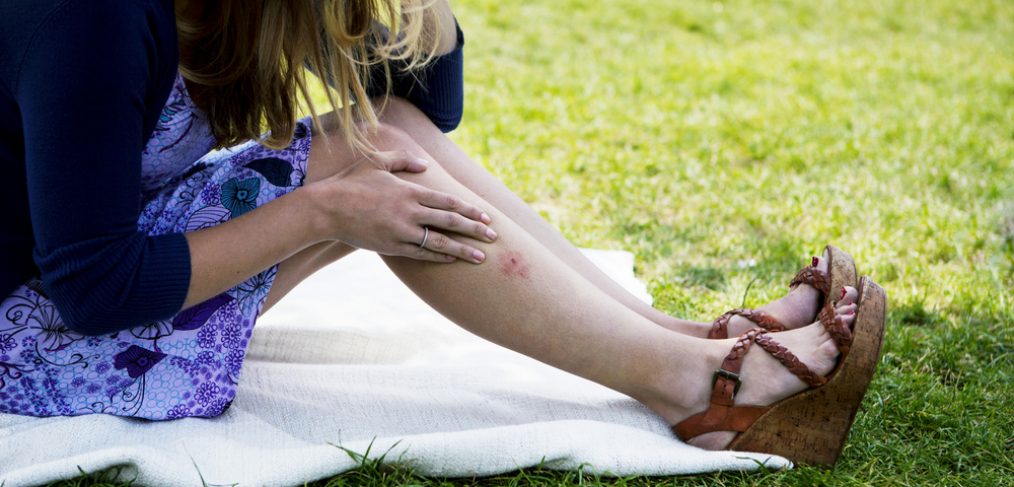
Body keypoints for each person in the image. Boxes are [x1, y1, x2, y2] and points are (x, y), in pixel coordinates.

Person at [0, 0, 885, 466]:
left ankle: (677, 345)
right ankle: (698, 387)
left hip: (71, 277)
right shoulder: (96, 14)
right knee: (365, 164)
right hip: (32, 329)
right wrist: (323, 211)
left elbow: (422, 104)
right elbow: (92, 287)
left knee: (377, 130)